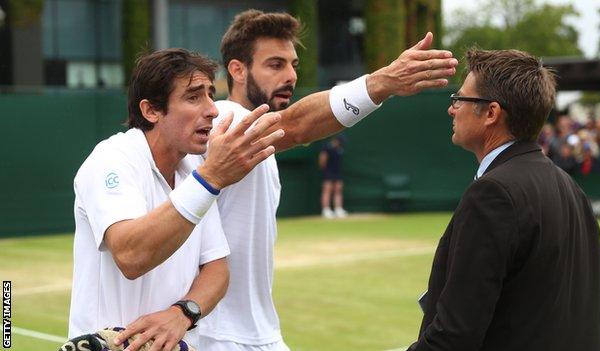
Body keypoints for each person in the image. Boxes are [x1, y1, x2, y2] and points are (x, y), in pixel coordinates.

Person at [199, 9, 458, 351]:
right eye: (275, 65)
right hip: (220, 337)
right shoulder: (226, 118)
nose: (290, 75)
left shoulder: (254, 137)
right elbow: (296, 126)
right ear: (237, 70)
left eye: (293, 64)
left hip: (253, 334)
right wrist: (381, 83)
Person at [69, 48, 285, 351]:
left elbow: (217, 270)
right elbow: (132, 255)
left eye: (211, 94)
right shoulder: (112, 159)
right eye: (194, 97)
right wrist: (209, 179)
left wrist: (183, 313)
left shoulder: (193, 171)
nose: (212, 109)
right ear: (151, 111)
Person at [408, 49, 600, 350]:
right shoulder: (566, 184)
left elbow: (455, 335)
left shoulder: (492, 193)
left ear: (492, 113)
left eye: (460, 99)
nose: (452, 108)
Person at [319, 135, 347, 218]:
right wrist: (325, 171)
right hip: (328, 172)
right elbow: (322, 161)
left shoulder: (340, 148)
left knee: (338, 190)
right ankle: (326, 210)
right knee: (327, 190)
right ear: (336, 141)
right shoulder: (327, 148)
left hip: (337, 172)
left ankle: (338, 209)